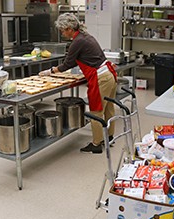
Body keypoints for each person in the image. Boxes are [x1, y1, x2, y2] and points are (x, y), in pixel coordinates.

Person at [39, 13, 117, 154]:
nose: (62, 33)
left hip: (101, 78)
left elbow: (68, 63)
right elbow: (80, 59)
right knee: (108, 109)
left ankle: (97, 144)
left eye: (62, 30)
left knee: (96, 111)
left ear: (69, 28)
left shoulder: (77, 41)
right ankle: (109, 137)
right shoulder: (85, 36)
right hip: (108, 74)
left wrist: (50, 71)